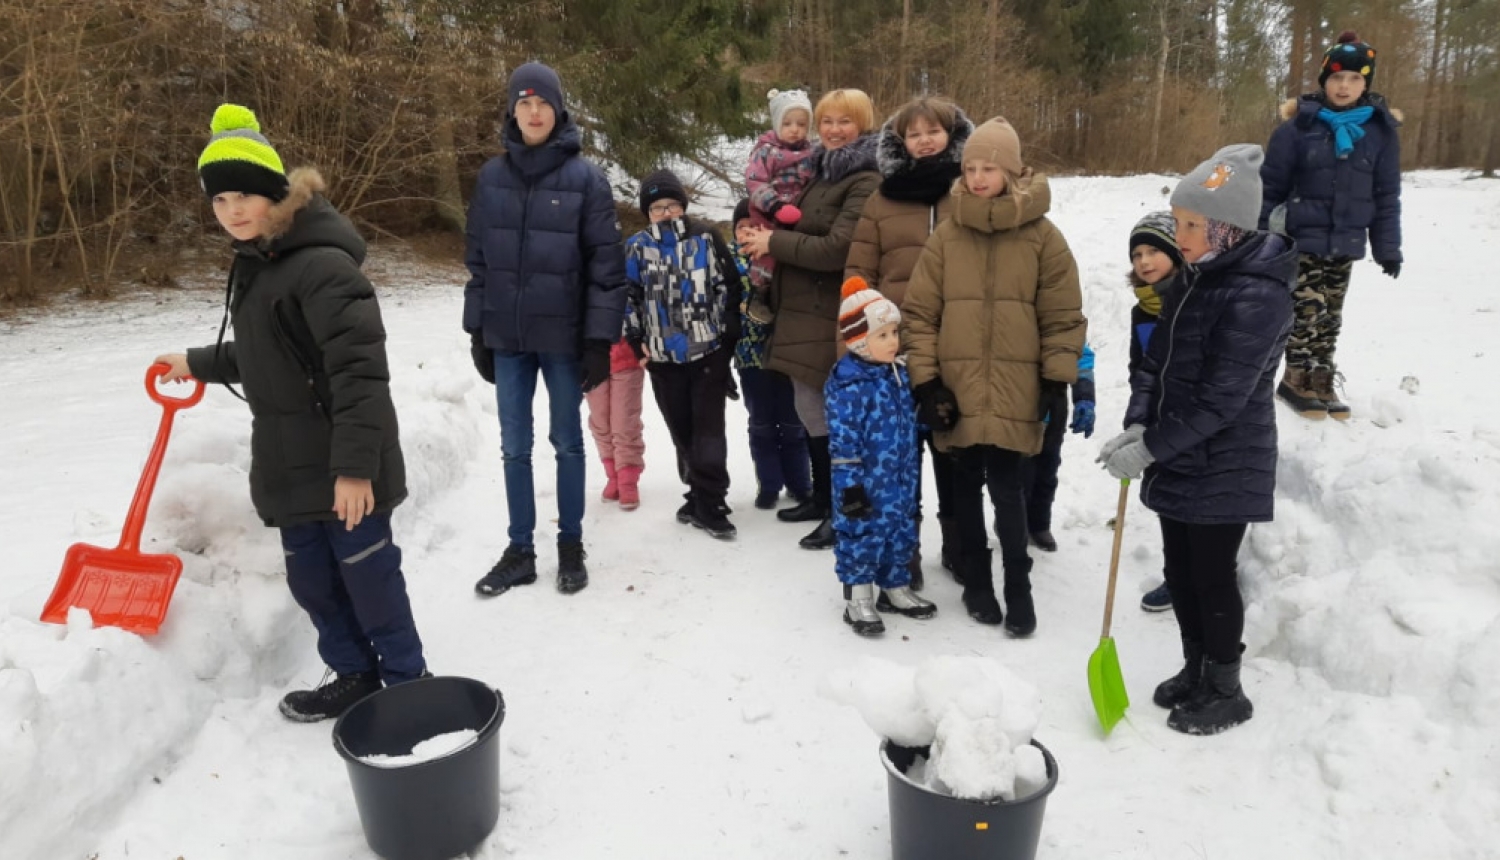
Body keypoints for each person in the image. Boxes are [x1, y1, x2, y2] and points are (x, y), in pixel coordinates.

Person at [155, 104, 426, 722]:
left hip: (344, 464)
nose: (232, 210)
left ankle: (409, 682)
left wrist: (355, 469)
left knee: (370, 581)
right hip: (292, 464)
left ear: (275, 192)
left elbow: (360, 372)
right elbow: (266, 353)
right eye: (219, 199)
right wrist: (195, 362)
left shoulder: (322, 266)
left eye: (244, 194)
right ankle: (355, 674)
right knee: (315, 585)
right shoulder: (261, 265)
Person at [1098, 143, 1297, 736]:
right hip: (1180, 450)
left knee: (1211, 575)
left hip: (1225, 459)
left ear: (1226, 227)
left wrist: (1152, 446)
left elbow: (1222, 400)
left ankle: (1227, 687)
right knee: (1180, 570)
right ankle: (1195, 668)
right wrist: (1139, 421)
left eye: (1190, 225)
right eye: (1179, 222)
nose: (1178, 236)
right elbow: (1154, 366)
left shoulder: (1257, 294)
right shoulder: (1194, 279)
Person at [902, 117, 1087, 638]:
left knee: (1009, 491)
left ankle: (1019, 585)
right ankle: (977, 582)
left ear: (1013, 171)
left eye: (990, 168)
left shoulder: (1043, 239)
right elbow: (919, 315)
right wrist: (927, 383)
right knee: (962, 491)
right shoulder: (946, 238)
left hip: (1015, 387)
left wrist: (1055, 379)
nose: (979, 177)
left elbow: (1061, 315)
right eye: (971, 168)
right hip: (956, 389)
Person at [464, 61, 628, 597]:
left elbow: (606, 268)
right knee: (514, 447)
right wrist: (477, 330)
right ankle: (520, 551)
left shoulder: (586, 179)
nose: (534, 112)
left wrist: (598, 341)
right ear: (512, 111)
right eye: (524, 102)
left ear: (558, 111)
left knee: (566, 444)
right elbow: (479, 264)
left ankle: (570, 545)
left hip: (564, 341)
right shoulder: (491, 179)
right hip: (508, 339)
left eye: (543, 103)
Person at [739, 88, 882, 551]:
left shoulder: (862, 178)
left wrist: (772, 245)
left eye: (846, 121)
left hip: (828, 312)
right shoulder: (818, 169)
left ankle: (842, 510)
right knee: (808, 409)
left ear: (862, 124)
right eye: (828, 121)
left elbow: (838, 248)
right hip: (800, 309)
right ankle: (823, 498)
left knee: (828, 416)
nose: (835, 129)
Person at [844, 94, 974, 589]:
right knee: (899, 459)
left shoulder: (971, 191)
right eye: (912, 134)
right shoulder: (883, 198)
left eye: (933, 131)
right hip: (893, 350)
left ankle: (961, 547)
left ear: (952, 134)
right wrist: (859, 344)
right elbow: (858, 274)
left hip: (957, 344)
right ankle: (906, 550)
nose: (923, 140)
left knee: (955, 452)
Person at [1261, 30, 1402, 421]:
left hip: (1346, 238)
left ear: (1365, 83)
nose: (1344, 86)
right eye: (1337, 77)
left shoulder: (1380, 133)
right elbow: (1270, 187)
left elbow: (1387, 194)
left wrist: (1388, 247)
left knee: (1331, 315)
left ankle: (1321, 379)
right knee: (1306, 311)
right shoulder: (1297, 130)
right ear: (1324, 81)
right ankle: (1295, 380)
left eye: (1355, 78)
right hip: (1300, 237)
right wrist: (1261, 240)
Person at [624, 169, 742, 539]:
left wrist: (725, 341)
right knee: (681, 429)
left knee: (709, 430)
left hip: (707, 352)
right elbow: (627, 296)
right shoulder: (636, 246)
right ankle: (697, 494)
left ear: (683, 206)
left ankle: (711, 501)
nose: (666, 212)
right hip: (662, 359)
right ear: (647, 212)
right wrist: (635, 339)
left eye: (673, 205)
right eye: (657, 207)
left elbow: (731, 287)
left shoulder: (706, 237)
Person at [827, 277, 936, 636]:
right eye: (883, 335)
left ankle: (895, 588)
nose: (893, 341)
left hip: (900, 477)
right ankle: (859, 598)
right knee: (862, 534)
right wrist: (850, 488)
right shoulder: (848, 383)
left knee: (899, 531)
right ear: (859, 341)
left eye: (894, 332)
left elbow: (906, 421)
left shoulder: (898, 374)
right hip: (863, 481)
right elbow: (843, 443)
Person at [731, 198, 814, 510]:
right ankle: (768, 484)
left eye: (754, 227)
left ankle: (800, 483)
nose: (747, 232)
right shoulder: (730, 261)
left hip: (784, 352)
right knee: (761, 424)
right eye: (741, 227)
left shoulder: (780, 259)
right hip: (749, 357)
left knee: (794, 423)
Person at [1124, 211, 1184, 612]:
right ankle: (1176, 577)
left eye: (1154, 251)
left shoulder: (1192, 298)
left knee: (1199, 502)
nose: (1144, 261)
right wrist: (1137, 418)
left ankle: (1206, 576)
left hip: (1194, 415)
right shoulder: (1141, 311)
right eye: (1137, 254)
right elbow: (1138, 367)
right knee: (1167, 497)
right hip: (1159, 417)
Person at [1007, 342, 1095, 553]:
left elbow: (1081, 358)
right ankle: (1014, 524)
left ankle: (1039, 525)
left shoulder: (1062, 318)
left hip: (1053, 409)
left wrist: (1085, 398)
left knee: (1047, 471)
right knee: (1019, 475)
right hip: (1017, 409)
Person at [743, 88, 817, 325]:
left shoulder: (812, 152)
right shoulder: (766, 151)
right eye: (787, 123)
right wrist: (774, 206)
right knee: (766, 249)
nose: (794, 129)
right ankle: (759, 292)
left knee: (795, 250)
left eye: (801, 124)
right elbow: (754, 181)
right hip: (769, 209)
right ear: (777, 124)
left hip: (798, 210)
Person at [585, 331, 645, 511]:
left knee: (624, 421)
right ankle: (612, 475)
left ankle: (627, 478)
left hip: (627, 354)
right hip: (592, 357)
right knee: (600, 421)